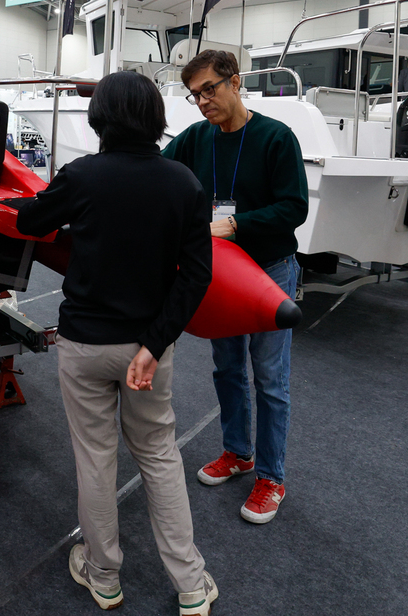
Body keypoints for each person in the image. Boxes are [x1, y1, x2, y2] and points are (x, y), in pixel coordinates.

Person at [14, 71, 219, 616]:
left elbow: (30, 220)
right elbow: (197, 275)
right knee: (159, 454)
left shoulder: (82, 176)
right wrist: (155, 343)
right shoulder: (184, 183)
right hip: (147, 350)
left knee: (96, 459)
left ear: (99, 118)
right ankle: (191, 584)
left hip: (84, 345)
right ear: (155, 117)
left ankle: (103, 576)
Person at [162, 49, 308, 525]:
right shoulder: (195, 138)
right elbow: (159, 170)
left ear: (235, 82)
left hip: (269, 271)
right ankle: (238, 453)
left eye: (210, 89)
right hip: (220, 274)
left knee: (269, 378)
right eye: (195, 95)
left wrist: (235, 224)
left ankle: (271, 476)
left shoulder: (275, 137)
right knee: (226, 370)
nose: (203, 101)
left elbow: (294, 208)